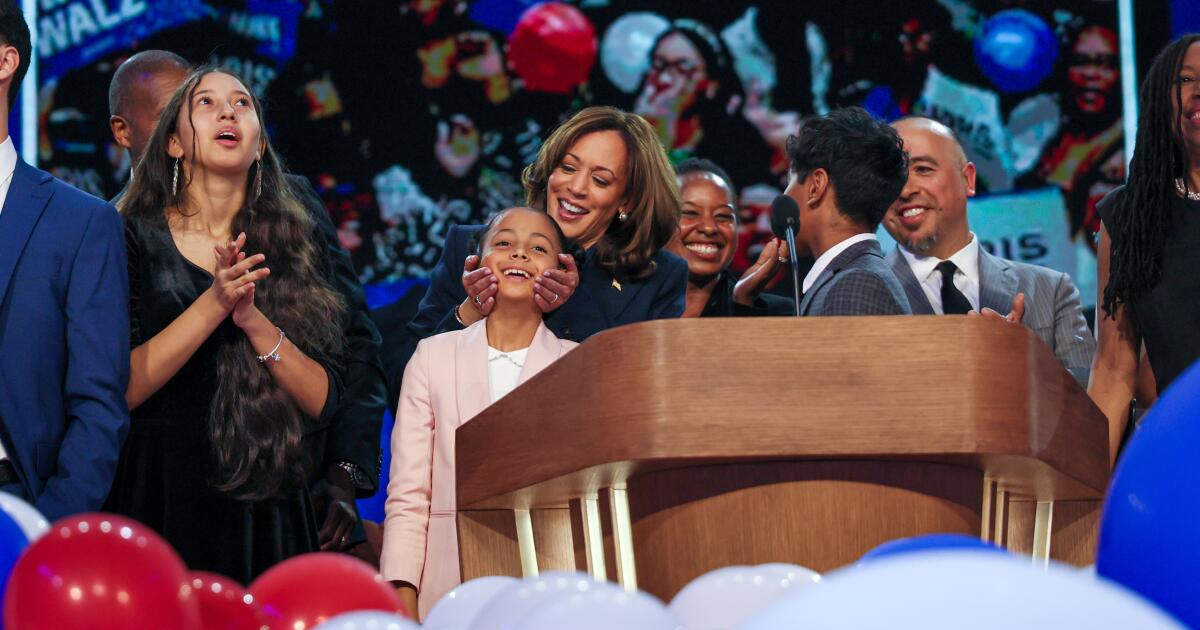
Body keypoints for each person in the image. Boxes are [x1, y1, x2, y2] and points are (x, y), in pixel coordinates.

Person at [106, 52, 387, 557]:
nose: (228, 112)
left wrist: (343, 475)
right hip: (160, 492)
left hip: (274, 498)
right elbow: (113, 385)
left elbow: (347, 361)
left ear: (260, 145)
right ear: (173, 141)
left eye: (242, 103)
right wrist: (214, 303)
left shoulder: (295, 225)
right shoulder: (123, 229)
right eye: (205, 103)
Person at [382, 207, 580, 619]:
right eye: (504, 243)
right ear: (475, 263)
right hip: (447, 590)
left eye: (538, 248)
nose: (520, 253)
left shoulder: (577, 365)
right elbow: (408, 497)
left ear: (562, 274)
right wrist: (403, 597)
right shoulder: (432, 356)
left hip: (548, 590)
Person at [404, 106, 685, 377]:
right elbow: (404, 378)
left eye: (600, 180)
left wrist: (571, 305)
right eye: (568, 167)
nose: (576, 188)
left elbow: (636, 391)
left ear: (627, 200)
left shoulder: (659, 277)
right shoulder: (468, 246)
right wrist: (469, 312)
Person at [0, 3, 130, 521]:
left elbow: (98, 403)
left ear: (5, 60)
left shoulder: (80, 222)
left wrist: (47, 528)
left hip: (17, 509)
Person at [882, 116, 1095, 378]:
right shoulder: (860, 295)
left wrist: (1026, 366)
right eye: (890, 176)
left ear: (968, 180)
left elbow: (1089, 396)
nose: (905, 190)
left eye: (923, 169)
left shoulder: (1050, 291)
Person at [1090, 34, 1200, 461]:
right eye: (1184, 79)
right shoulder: (1130, 218)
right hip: (1186, 451)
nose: (1198, 91)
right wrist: (1093, 484)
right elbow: (1114, 368)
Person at [782, 107, 911, 316]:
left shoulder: (854, 285)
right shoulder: (854, 275)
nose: (785, 193)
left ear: (816, 186)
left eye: (790, 179)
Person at [633, 19, 775, 187]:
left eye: (683, 67)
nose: (664, 79)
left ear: (711, 84)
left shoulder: (733, 151)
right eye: (658, 64)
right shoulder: (629, 132)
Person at [667, 157, 793, 317]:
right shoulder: (636, 304)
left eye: (722, 216)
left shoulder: (780, 314)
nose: (709, 228)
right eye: (690, 213)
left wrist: (743, 303)